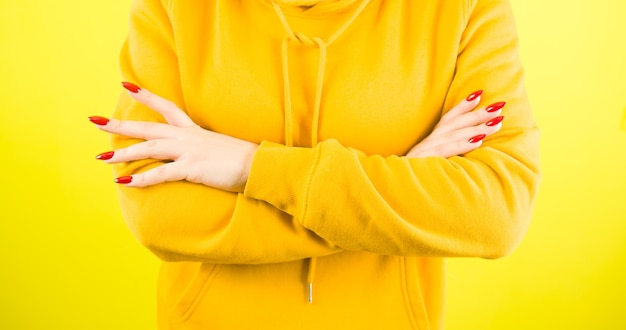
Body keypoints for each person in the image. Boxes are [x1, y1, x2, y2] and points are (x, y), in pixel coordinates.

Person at [89, 0, 540, 328]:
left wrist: (250, 166)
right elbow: (161, 215)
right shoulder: (172, 8)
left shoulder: (466, 8)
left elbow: (496, 211)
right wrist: (400, 175)